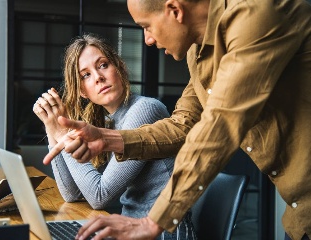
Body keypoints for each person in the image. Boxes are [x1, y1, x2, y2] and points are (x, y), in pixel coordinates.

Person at [43, 0, 311, 239]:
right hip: (300, 215)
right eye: (85, 75)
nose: (147, 39)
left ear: (174, 10)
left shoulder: (257, 14)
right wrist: (106, 138)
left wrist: (154, 221)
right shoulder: (199, 53)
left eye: (147, 26)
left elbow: (220, 125)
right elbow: (183, 125)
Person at [33, 34, 196, 240]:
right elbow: (71, 194)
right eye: (86, 75)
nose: (98, 77)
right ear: (83, 92)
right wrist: (52, 128)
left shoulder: (145, 110)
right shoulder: (109, 120)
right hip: (130, 230)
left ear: (120, 67)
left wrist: (62, 134)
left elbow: (98, 196)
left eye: (102, 65)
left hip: (164, 233)